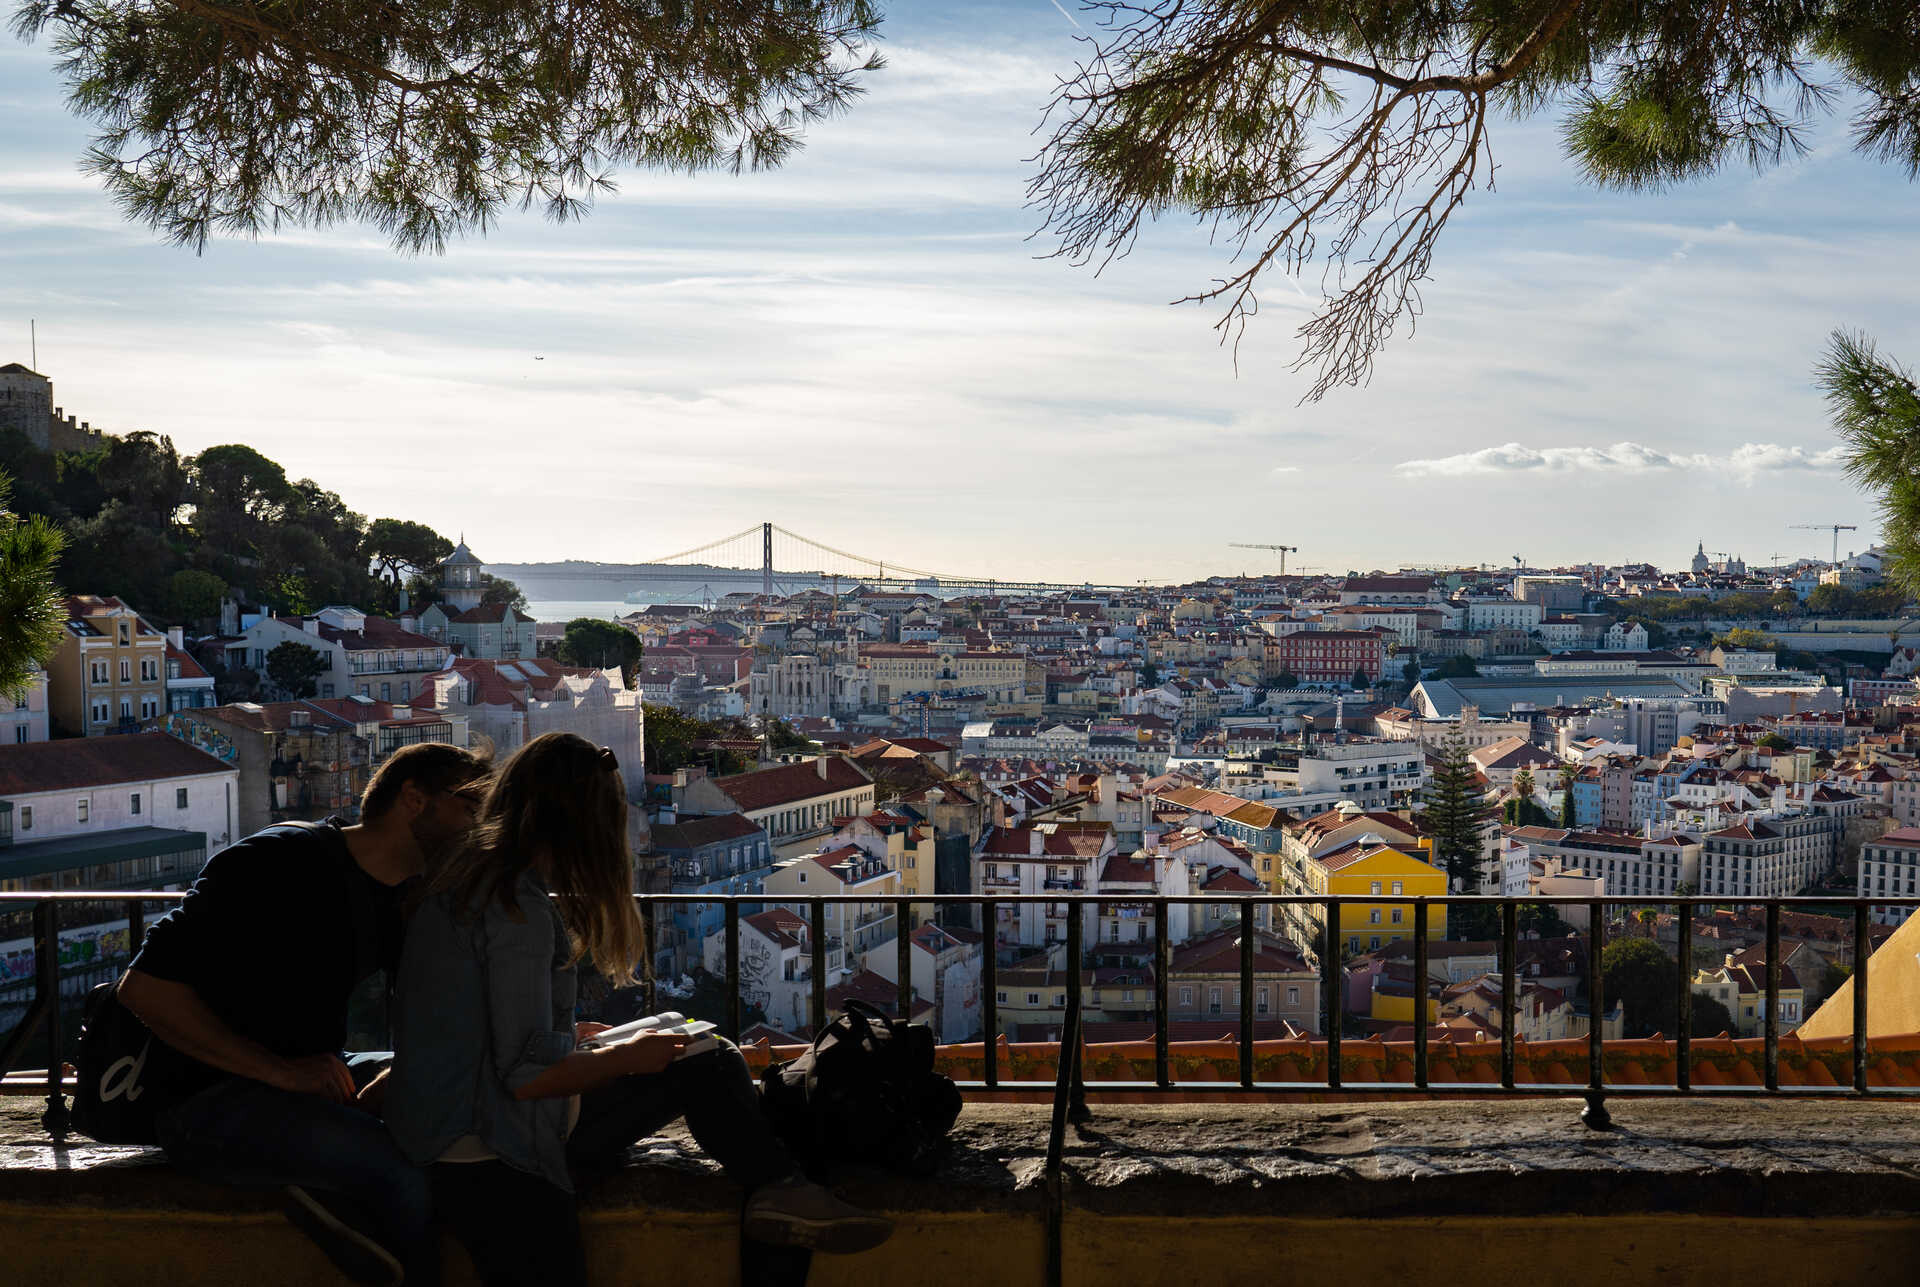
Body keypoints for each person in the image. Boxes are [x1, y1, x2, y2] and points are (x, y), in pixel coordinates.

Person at [385, 732, 892, 1287]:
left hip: (444, 1128)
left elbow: (473, 1023)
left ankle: (782, 1188)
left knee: (689, 1037)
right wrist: (627, 1056)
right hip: (491, 1146)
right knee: (709, 1059)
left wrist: (571, 1034)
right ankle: (782, 1193)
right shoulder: (515, 909)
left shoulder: (468, 877)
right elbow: (527, 1077)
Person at [117, 740, 494, 1286]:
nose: (478, 828)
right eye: (470, 808)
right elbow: (144, 989)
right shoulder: (280, 861)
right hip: (205, 1101)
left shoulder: (404, 899)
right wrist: (281, 1074)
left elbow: (439, 1015)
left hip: (308, 1077)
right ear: (414, 800)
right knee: (401, 1168)